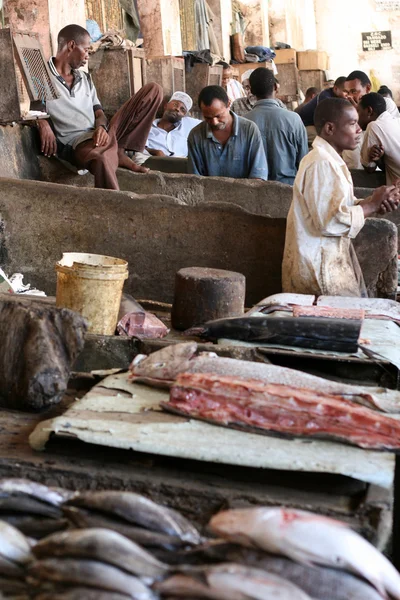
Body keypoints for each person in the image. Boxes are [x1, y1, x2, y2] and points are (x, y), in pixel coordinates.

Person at [282, 98, 400, 297]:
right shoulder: (321, 163)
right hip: (318, 271)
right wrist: (370, 205)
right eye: (352, 123)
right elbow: (330, 220)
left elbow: (339, 207)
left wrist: (373, 202)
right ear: (329, 128)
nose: (359, 130)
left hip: (327, 264)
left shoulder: (331, 160)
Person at [37, 24, 163, 190]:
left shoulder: (85, 78)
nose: (87, 56)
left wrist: (102, 128)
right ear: (72, 46)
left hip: (102, 134)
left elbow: (99, 114)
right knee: (101, 159)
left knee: (154, 90)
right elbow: (34, 111)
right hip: (77, 144)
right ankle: (115, 206)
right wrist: (42, 123)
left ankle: (120, 149)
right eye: (87, 50)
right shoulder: (41, 76)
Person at [188, 85, 268, 180]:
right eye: (208, 118)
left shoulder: (249, 130)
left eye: (219, 116)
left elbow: (258, 175)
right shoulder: (196, 135)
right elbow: (195, 178)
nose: (214, 122)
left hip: (245, 193)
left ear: (229, 104)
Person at [245, 68, 308, 185]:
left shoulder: (243, 122)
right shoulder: (294, 119)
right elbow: (303, 162)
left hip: (255, 192)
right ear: (275, 87)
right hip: (288, 189)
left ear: (252, 91)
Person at [343, 70, 399, 170]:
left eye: (354, 91)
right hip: (356, 167)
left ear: (368, 88)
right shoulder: (347, 109)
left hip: (377, 170)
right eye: (347, 92)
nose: (350, 96)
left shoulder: (385, 104)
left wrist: (358, 111)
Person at [132, 92, 201, 165]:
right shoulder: (148, 127)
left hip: (179, 165)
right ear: (166, 106)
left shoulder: (187, 124)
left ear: (183, 115)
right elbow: (138, 147)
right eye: (175, 104)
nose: (177, 109)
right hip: (153, 161)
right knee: (139, 156)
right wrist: (156, 152)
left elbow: (208, 123)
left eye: (182, 109)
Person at [358, 93, 400, 186]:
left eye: (358, 111)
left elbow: (369, 168)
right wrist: (379, 160)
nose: (356, 117)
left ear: (369, 111)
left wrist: (373, 160)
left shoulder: (374, 126)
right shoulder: (396, 121)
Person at [296, 77, 348, 145]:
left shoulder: (340, 98)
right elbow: (330, 120)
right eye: (345, 91)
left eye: (349, 92)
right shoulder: (325, 97)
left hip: (316, 125)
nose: (348, 95)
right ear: (335, 88)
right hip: (305, 126)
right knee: (326, 140)